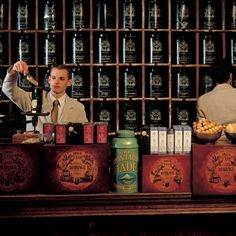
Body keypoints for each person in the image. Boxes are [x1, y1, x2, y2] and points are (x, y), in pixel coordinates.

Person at [2, 61, 88, 134]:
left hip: (63, 152)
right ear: (49, 80)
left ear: (69, 82)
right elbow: (8, 89)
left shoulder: (78, 107)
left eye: (61, 79)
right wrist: (14, 71)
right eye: (54, 78)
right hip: (35, 149)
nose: (56, 82)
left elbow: (83, 133)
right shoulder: (32, 98)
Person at [196, 58, 236, 125]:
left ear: (213, 78)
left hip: (214, 135)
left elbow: (201, 129)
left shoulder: (202, 100)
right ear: (230, 76)